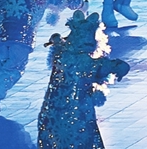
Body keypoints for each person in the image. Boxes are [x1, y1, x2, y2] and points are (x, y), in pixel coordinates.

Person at [37, 10, 130, 149]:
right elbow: (109, 67)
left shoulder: (61, 55)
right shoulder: (89, 63)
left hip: (54, 108)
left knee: (55, 133)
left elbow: (57, 45)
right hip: (79, 109)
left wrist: (57, 41)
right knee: (79, 134)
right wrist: (118, 67)